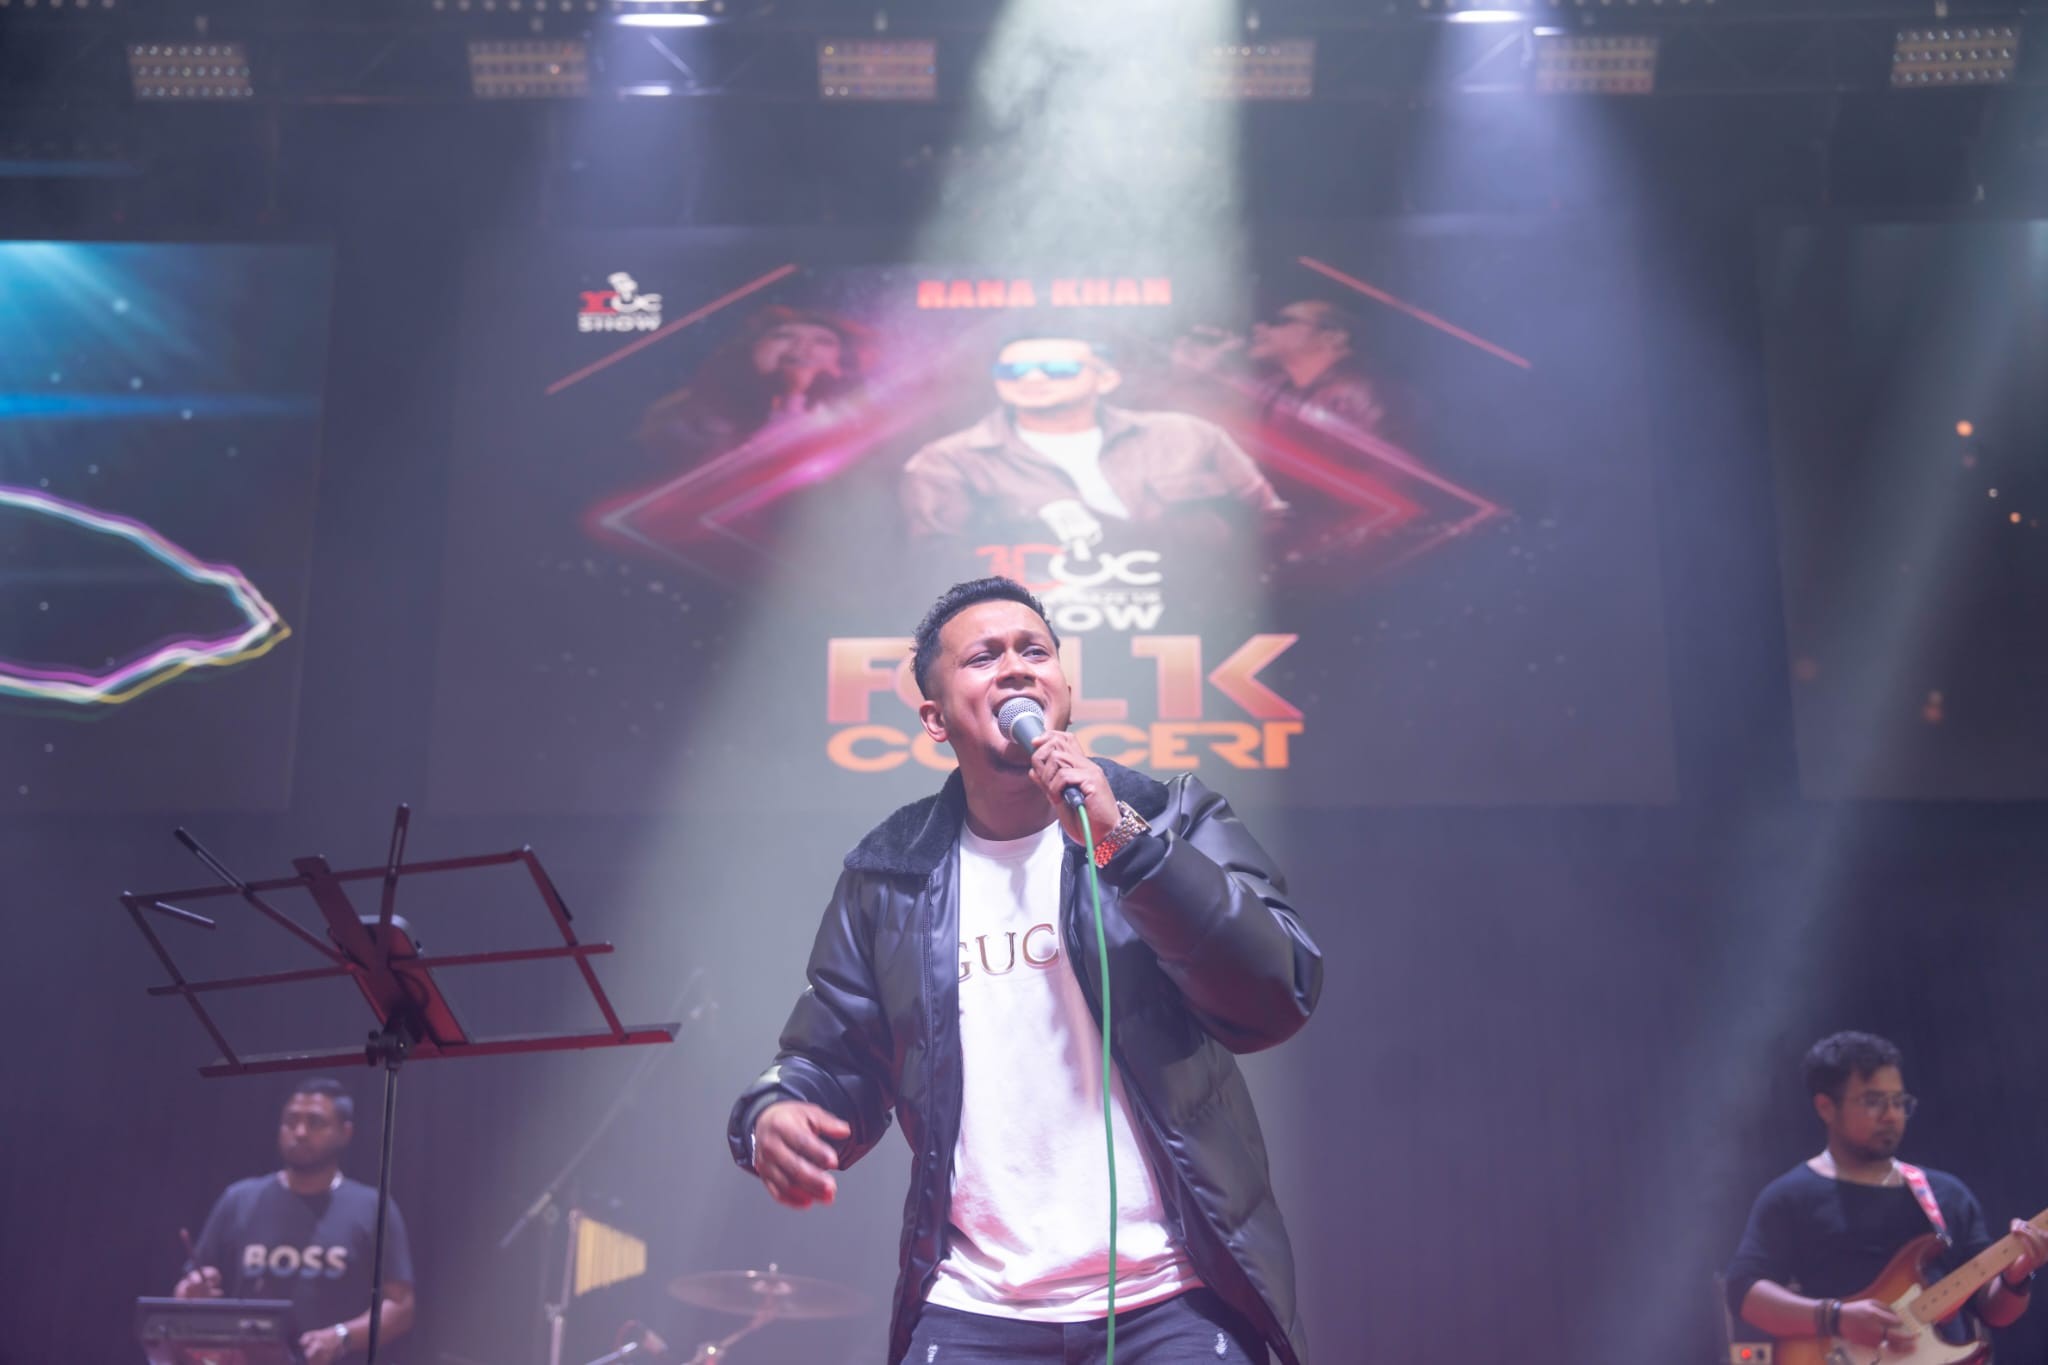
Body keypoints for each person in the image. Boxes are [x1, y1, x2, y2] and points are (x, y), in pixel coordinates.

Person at [727, 577, 1321, 1364]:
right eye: (983, 657)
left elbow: (1278, 991)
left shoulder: (1171, 814)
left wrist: (1129, 845)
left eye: (1033, 650)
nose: (1015, 666)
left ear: (1064, 690)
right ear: (935, 717)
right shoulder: (891, 875)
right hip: (974, 1303)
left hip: (1171, 1294)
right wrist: (778, 1110)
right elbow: (832, 1056)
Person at [1725, 1031, 2048, 1353]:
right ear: (1826, 1107)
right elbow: (1744, 1291)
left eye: (1898, 1102)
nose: (1891, 1115)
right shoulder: (1790, 1196)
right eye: (1873, 1101)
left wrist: (2016, 1277)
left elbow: (1994, 1312)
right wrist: (1835, 1317)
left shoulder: (1947, 1194)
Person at [900, 335, 1287, 550]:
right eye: (1012, 370)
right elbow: (938, 566)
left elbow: (1271, 524)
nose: (1031, 378)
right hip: (1037, 630)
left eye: (1058, 369)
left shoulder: (1189, 436)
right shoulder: (946, 460)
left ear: (1105, 379)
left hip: (1195, 618)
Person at [174, 1078, 417, 1364]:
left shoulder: (372, 1207)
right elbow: (186, 1291)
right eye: (291, 1121)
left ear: (345, 1132)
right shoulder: (239, 1199)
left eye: (315, 1122)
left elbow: (400, 1307)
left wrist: (341, 1336)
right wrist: (190, 1293)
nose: (300, 1132)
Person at [635, 305, 870, 468]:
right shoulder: (687, 415)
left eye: (823, 341)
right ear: (752, 349)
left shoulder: (859, 422)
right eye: (784, 336)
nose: (801, 347)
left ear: (841, 364)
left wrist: (793, 397)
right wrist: (790, 396)